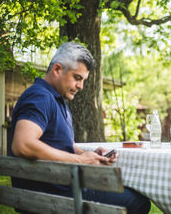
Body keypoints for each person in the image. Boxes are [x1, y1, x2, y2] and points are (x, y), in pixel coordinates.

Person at [10, 42, 150, 214]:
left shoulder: (57, 101)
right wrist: (80, 160)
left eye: (83, 80)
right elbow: (23, 144)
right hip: (54, 196)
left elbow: (63, 145)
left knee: (129, 191)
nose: (81, 86)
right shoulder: (40, 97)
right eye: (77, 78)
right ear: (57, 69)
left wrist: (85, 154)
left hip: (60, 188)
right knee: (137, 202)